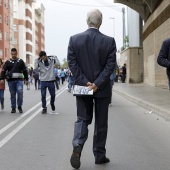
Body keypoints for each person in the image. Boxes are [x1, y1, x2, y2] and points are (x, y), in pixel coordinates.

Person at [67, 9, 116, 169]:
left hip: (82, 88)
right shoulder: (109, 41)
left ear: (86, 21)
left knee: (82, 118)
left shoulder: (74, 40)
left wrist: (85, 82)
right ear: (100, 23)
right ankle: (100, 156)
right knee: (101, 123)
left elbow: (72, 63)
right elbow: (110, 66)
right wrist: (97, 83)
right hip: (102, 89)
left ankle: (78, 145)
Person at [1, 48, 28, 113]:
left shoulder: (20, 61)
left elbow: (25, 70)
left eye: (14, 54)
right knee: (12, 94)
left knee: (20, 92)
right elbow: (3, 71)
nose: (13, 55)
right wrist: (2, 79)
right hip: (11, 81)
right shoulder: (7, 62)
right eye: (12, 54)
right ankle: (13, 107)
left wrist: (26, 79)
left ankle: (19, 106)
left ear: (17, 53)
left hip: (19, 80)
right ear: (11, 54)